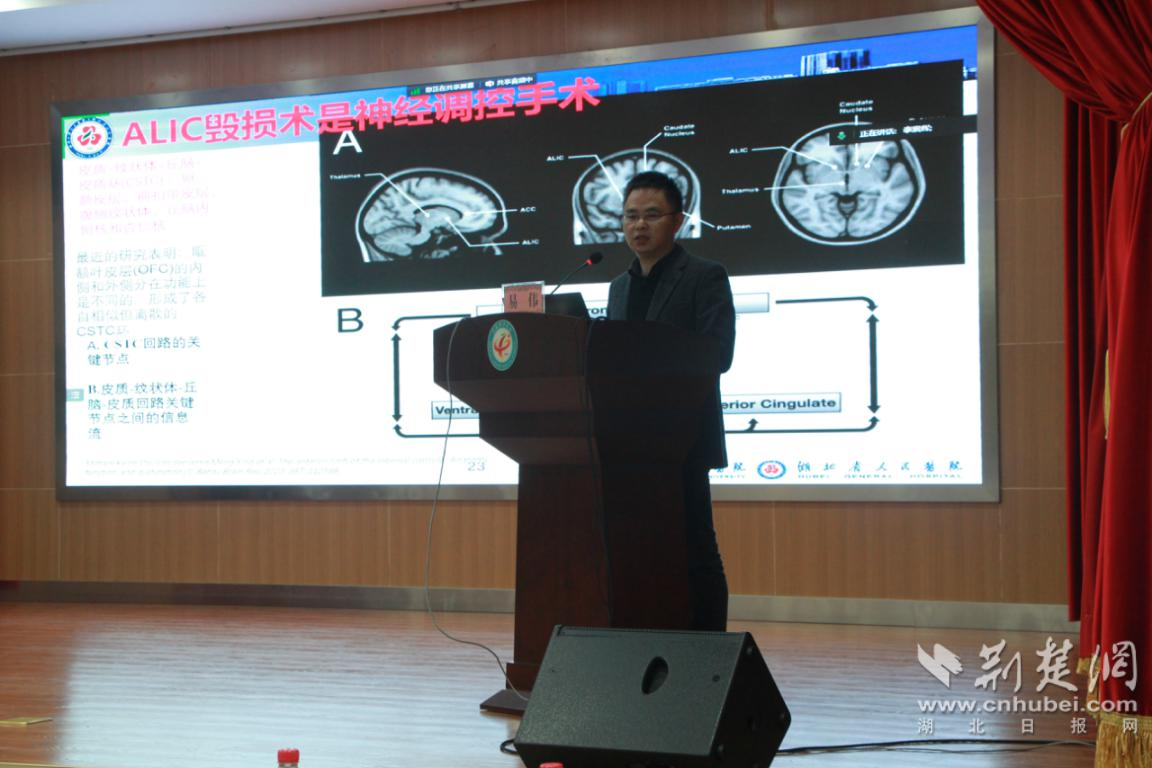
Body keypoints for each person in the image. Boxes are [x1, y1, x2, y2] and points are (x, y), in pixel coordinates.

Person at [606, 170, 736, 631]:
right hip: (629, 446)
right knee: (641, 550)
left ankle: (709, 649)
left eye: (651, 215)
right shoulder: (618, 287)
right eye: (630, 216)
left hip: (683, 438)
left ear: (677, 221)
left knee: (696, 547)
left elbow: (719, 353)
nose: (638, 226)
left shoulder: (704, 276)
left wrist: (652, 361)